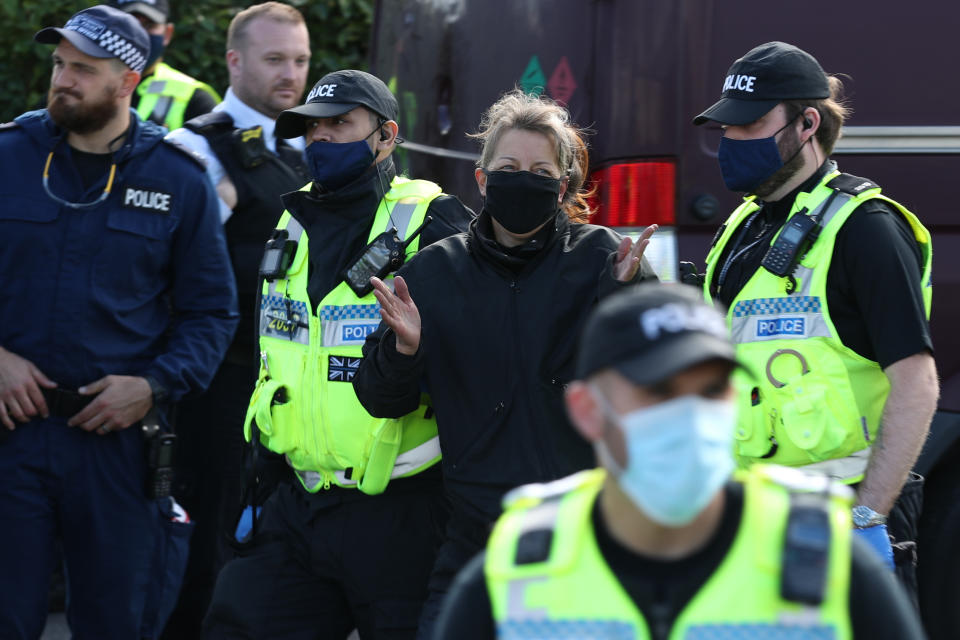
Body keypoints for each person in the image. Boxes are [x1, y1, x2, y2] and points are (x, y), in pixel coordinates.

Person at [433, 283, 927, 639]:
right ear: (587, 411)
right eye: (658, 391)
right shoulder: (517, 574)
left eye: (711, 390)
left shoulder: (826, 562)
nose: (691, 416)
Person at [352, 89, 658, 638]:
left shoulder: (602, 259)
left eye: (541, 170)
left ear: (562, 186)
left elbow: (655, 383)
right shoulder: (432, 273)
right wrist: (405, 349)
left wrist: (626, 295)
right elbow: (379, 399)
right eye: (509, 167)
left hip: (589, 539)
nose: (525, 179)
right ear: (482, 179)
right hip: (477, 543)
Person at [202, 69, 474, 640]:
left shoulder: (433, 221)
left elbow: (477, 356)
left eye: (339, 123)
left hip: (402, 513)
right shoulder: (290, 222)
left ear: (386, 135)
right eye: (312, 127)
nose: (320, 136)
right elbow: (278, 356)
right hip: (296, 501)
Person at [0, 5, 237, 639]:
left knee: (118, 623)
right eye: (59, 65)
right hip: (11, 436)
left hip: (116, 445)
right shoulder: (8, 157)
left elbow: (212, 312)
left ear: (127, 81)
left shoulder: (177, 180)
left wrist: (154, 385)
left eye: (83, 69)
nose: (63, 80)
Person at [692, 42, 937, 585]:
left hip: (844, 516)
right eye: (725, 127)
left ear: (808, 123)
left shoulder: (865, 229)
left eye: (749, 124)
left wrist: (867, 517)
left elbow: (917, 384)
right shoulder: (747, 223)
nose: (731, 139)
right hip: (749, 515)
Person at [161, 4, 312, 635]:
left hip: (300, 387)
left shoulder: (312, 146)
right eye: (275, 59)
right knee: (207, 550)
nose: (291, 75)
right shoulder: (193, 147)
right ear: (234, 61)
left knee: (285, 556)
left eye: (301, 60)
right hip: (219, 387)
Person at [109, 0, 221, 130]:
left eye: (149, 25)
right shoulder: (88, 83)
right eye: (128, 25)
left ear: (168, 33)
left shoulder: (196, 98)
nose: (139, 35)